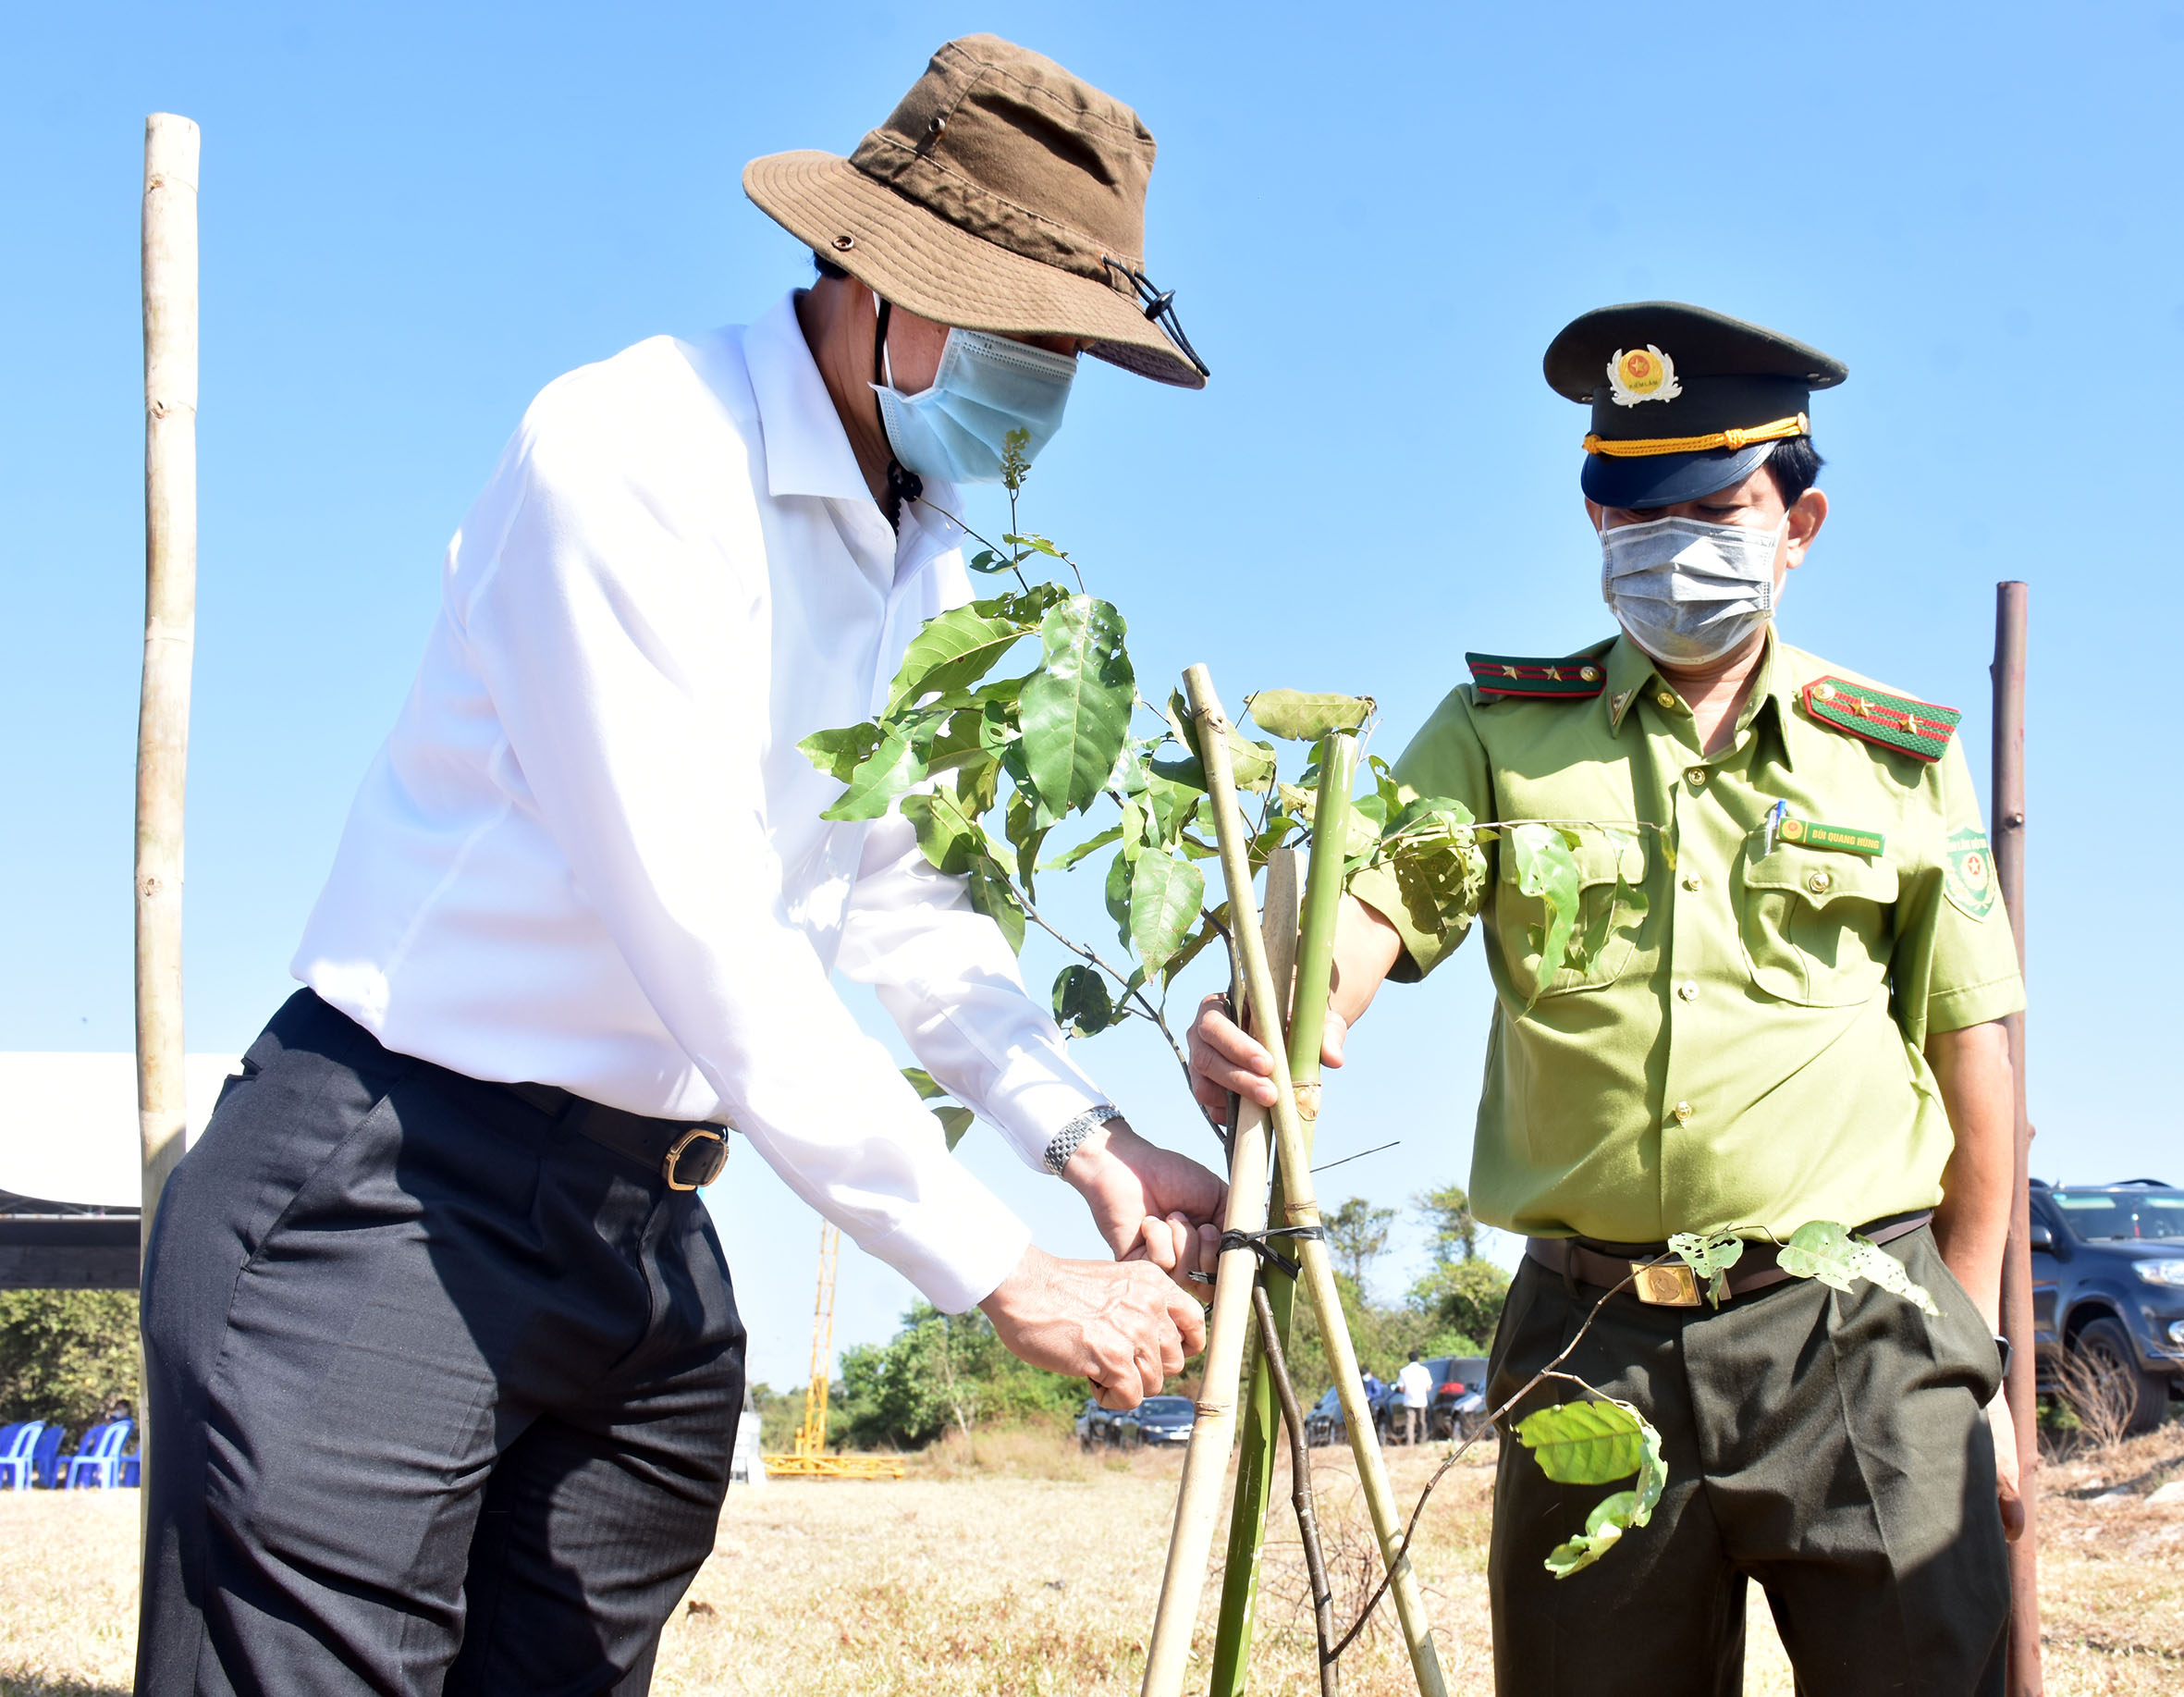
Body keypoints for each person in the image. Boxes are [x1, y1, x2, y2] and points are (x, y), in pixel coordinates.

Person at [139, 36, 1224, 1696]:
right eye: (1018, 336)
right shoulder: (634, 457)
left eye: (1068, 354)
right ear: (872, 279)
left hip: (642, 1234)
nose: (1045, 389)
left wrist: (1086, 1142)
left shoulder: (915, 552)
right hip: (394, 1193)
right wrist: (995, 1267)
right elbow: (706, 927)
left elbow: (903, 899)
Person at [1191, 302, 2023, 1693]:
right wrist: (1291, 1008)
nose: (1670, 547)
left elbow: (1970, 1051)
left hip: (1858, 1332)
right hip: (1592, 1343)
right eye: (1634, 516)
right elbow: (1374, 910)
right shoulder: (1497, 736)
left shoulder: (1893, 757)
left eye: (1712, 506)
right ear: (1593, 521)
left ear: (1797, 522)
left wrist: (1977, 1355)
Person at [1395, 1347, 1434, 1446]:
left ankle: (1410, 1443)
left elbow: (1401, 1388)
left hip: (1409, 1401)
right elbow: (1429, 1387)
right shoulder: (1424, 1370)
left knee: (1410, 1423)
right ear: (1418, 1358)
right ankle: (1422, 1441)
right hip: (1421, 1400)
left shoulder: (1403, 1371)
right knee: (1421, 1422)